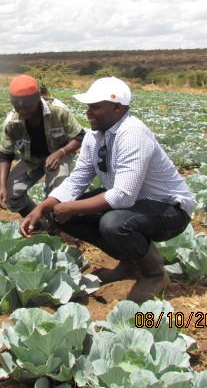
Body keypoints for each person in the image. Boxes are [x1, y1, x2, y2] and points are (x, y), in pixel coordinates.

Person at [19, 77, 194, 303]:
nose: (89, 112)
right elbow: (78, 178)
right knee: (62, 214)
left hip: (169, 208)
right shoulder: (95, 134)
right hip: (135, 204)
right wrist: (42, 208)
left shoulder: (132, 133)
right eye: (88, 107)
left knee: (113, 223)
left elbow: (123, 195)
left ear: (117, 107)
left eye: (95, 107)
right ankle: (130, 262)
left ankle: (154, 274)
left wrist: (71, 206)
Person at [0, 75, 85, 226]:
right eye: (18, 108)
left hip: (58, 155)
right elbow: (5, 154)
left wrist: (60, 153)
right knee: (11, 195)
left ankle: (60, 227)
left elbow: (79, 136)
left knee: (58, 193)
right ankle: (39, 223)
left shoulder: (58, 110)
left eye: (27, 107)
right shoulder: (12, 122)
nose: (23, 111)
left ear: (38, 98)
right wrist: (2, 186)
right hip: (31, 158)